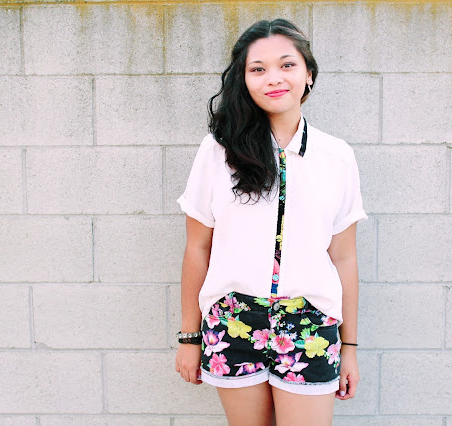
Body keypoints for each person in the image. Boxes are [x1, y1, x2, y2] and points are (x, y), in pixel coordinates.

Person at [174, 18, 368, 426]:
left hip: (310, 324)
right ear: (244, 80)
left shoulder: (336, 157)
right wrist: (190, 337)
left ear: (308, 74)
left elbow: (344, 257)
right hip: (233, 320)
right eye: (258, 69)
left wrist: (348, 346)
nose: (273, 78)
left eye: (287, 65)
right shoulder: (217, 152)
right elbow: (198, 247)